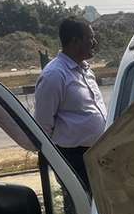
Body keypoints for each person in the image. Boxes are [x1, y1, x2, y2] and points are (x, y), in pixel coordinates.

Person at [33, 17, 107, 187]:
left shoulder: (85, 70)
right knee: (81, 201)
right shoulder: (54, 75)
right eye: (90, 38)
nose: (94, 43)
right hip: (74, 159)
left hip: (98, 153)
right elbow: (42, 125)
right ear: (75, 41)